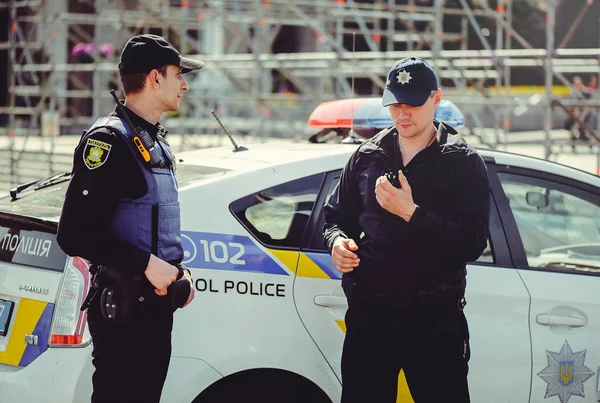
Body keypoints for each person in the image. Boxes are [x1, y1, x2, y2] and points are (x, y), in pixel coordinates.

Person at [323, 57, 490, 403]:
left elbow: (473, 241)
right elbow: (335, 217)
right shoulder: (367, 156)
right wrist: (337, 242)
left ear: (436, 99)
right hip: (371, 319)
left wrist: (411, 213)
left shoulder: (462, 162)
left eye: (412, 104)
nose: (403, 114)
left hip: (434, 322)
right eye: (395, 104)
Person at [57, 34, 204, 403]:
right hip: (123, 311)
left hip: (153, 308)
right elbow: (74, 234)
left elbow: (151, 224)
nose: (184, 85)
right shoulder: (110, 141)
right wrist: (146, 264)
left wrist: (175, 270)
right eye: (177, 75)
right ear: (155, 78)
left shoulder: (152, 140)